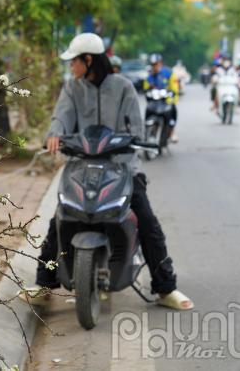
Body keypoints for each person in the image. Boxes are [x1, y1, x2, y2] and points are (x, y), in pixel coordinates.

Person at [23, 33, 193, 311]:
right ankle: (44, 284)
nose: (71, 67)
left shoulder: (124, 87)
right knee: (60, 219)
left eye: (74, 61)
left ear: (88, 60)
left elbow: (135, 127)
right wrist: (55, 133)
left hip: (122, 166)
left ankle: (165, 287)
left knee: (148, 223)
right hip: (81, 166)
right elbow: (61, 117)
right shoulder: (72, 88)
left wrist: (133, 139)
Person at [144, 54, 179, 143]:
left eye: (156, 64)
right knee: (148, 110)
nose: (154, 66)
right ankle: (145, 132)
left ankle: (171, 132)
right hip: (154, 101)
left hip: (166, 101)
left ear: (160, 63)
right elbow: (146, 88)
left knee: (172, 112)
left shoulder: (168, 73)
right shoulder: (149, 75)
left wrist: (171, 97)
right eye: (153, 64)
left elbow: (174, 88)